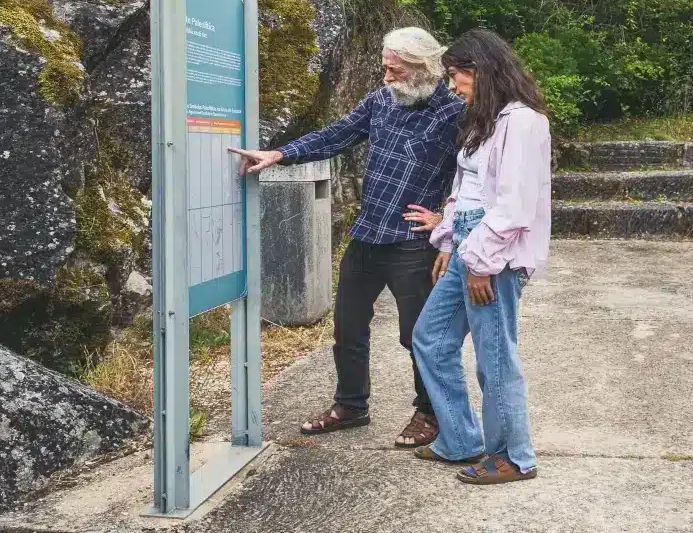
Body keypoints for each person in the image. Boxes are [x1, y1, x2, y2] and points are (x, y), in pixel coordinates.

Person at [228, 27, 462, 449]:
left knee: (418, 335)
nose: (386, 78)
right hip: (368, 232)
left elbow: (476, 174)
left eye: (395, 70)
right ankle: (351, 405)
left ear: (424, 67)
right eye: (385, 68)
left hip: (412, 240)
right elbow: (335, 135)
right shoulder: (381, 101)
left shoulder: (455, 113)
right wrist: (279, 154)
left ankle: (429, 411)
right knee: (348, 328)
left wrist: (447, 216)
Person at [410, 28, 552, 485]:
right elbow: (465, 190)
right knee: (431, 339)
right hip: (469, 243)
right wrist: (450, 243)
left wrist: (480, 262)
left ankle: (513, 456)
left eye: (458, 74)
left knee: (494, 356)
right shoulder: (482, 120)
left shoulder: (523, 122)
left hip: (496, 252)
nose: (453, 85)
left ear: (483, 69)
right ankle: (460, 439)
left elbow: (514, 206)